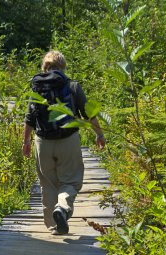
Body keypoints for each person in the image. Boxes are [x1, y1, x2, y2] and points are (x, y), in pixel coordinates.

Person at [23, 50, 105, 235]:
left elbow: (29, 118)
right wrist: (99, 134)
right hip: (68, 140)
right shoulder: (72, 86)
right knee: (72, 180)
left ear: (45, 67)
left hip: (42, 141)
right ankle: (62, 207)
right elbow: (89, 113)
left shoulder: (37, 88)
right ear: (63, 66)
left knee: (48, 184)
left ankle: (53, 226)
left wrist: (26, 142)